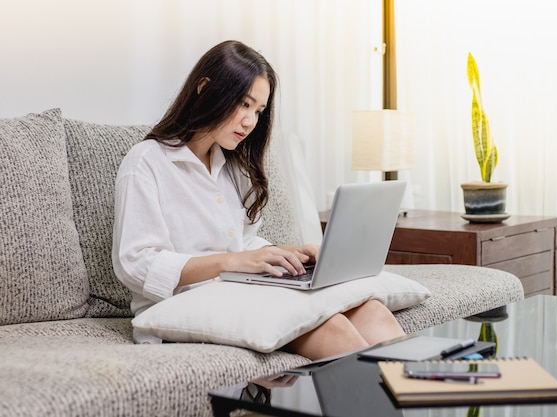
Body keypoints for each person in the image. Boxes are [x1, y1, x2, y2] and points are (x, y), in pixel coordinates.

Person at [112, 40, 405, 360]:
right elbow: (136, 264)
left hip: (235, 292)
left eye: (258, 111)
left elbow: (242, 244)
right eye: (244, 104)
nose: (250, 121)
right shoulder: (147, 162)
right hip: (178, 309)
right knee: (331, 326)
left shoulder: (228, 165)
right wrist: (231, 262)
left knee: (371, 312)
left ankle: (415, 403)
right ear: (205, 88)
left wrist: (281, 253)